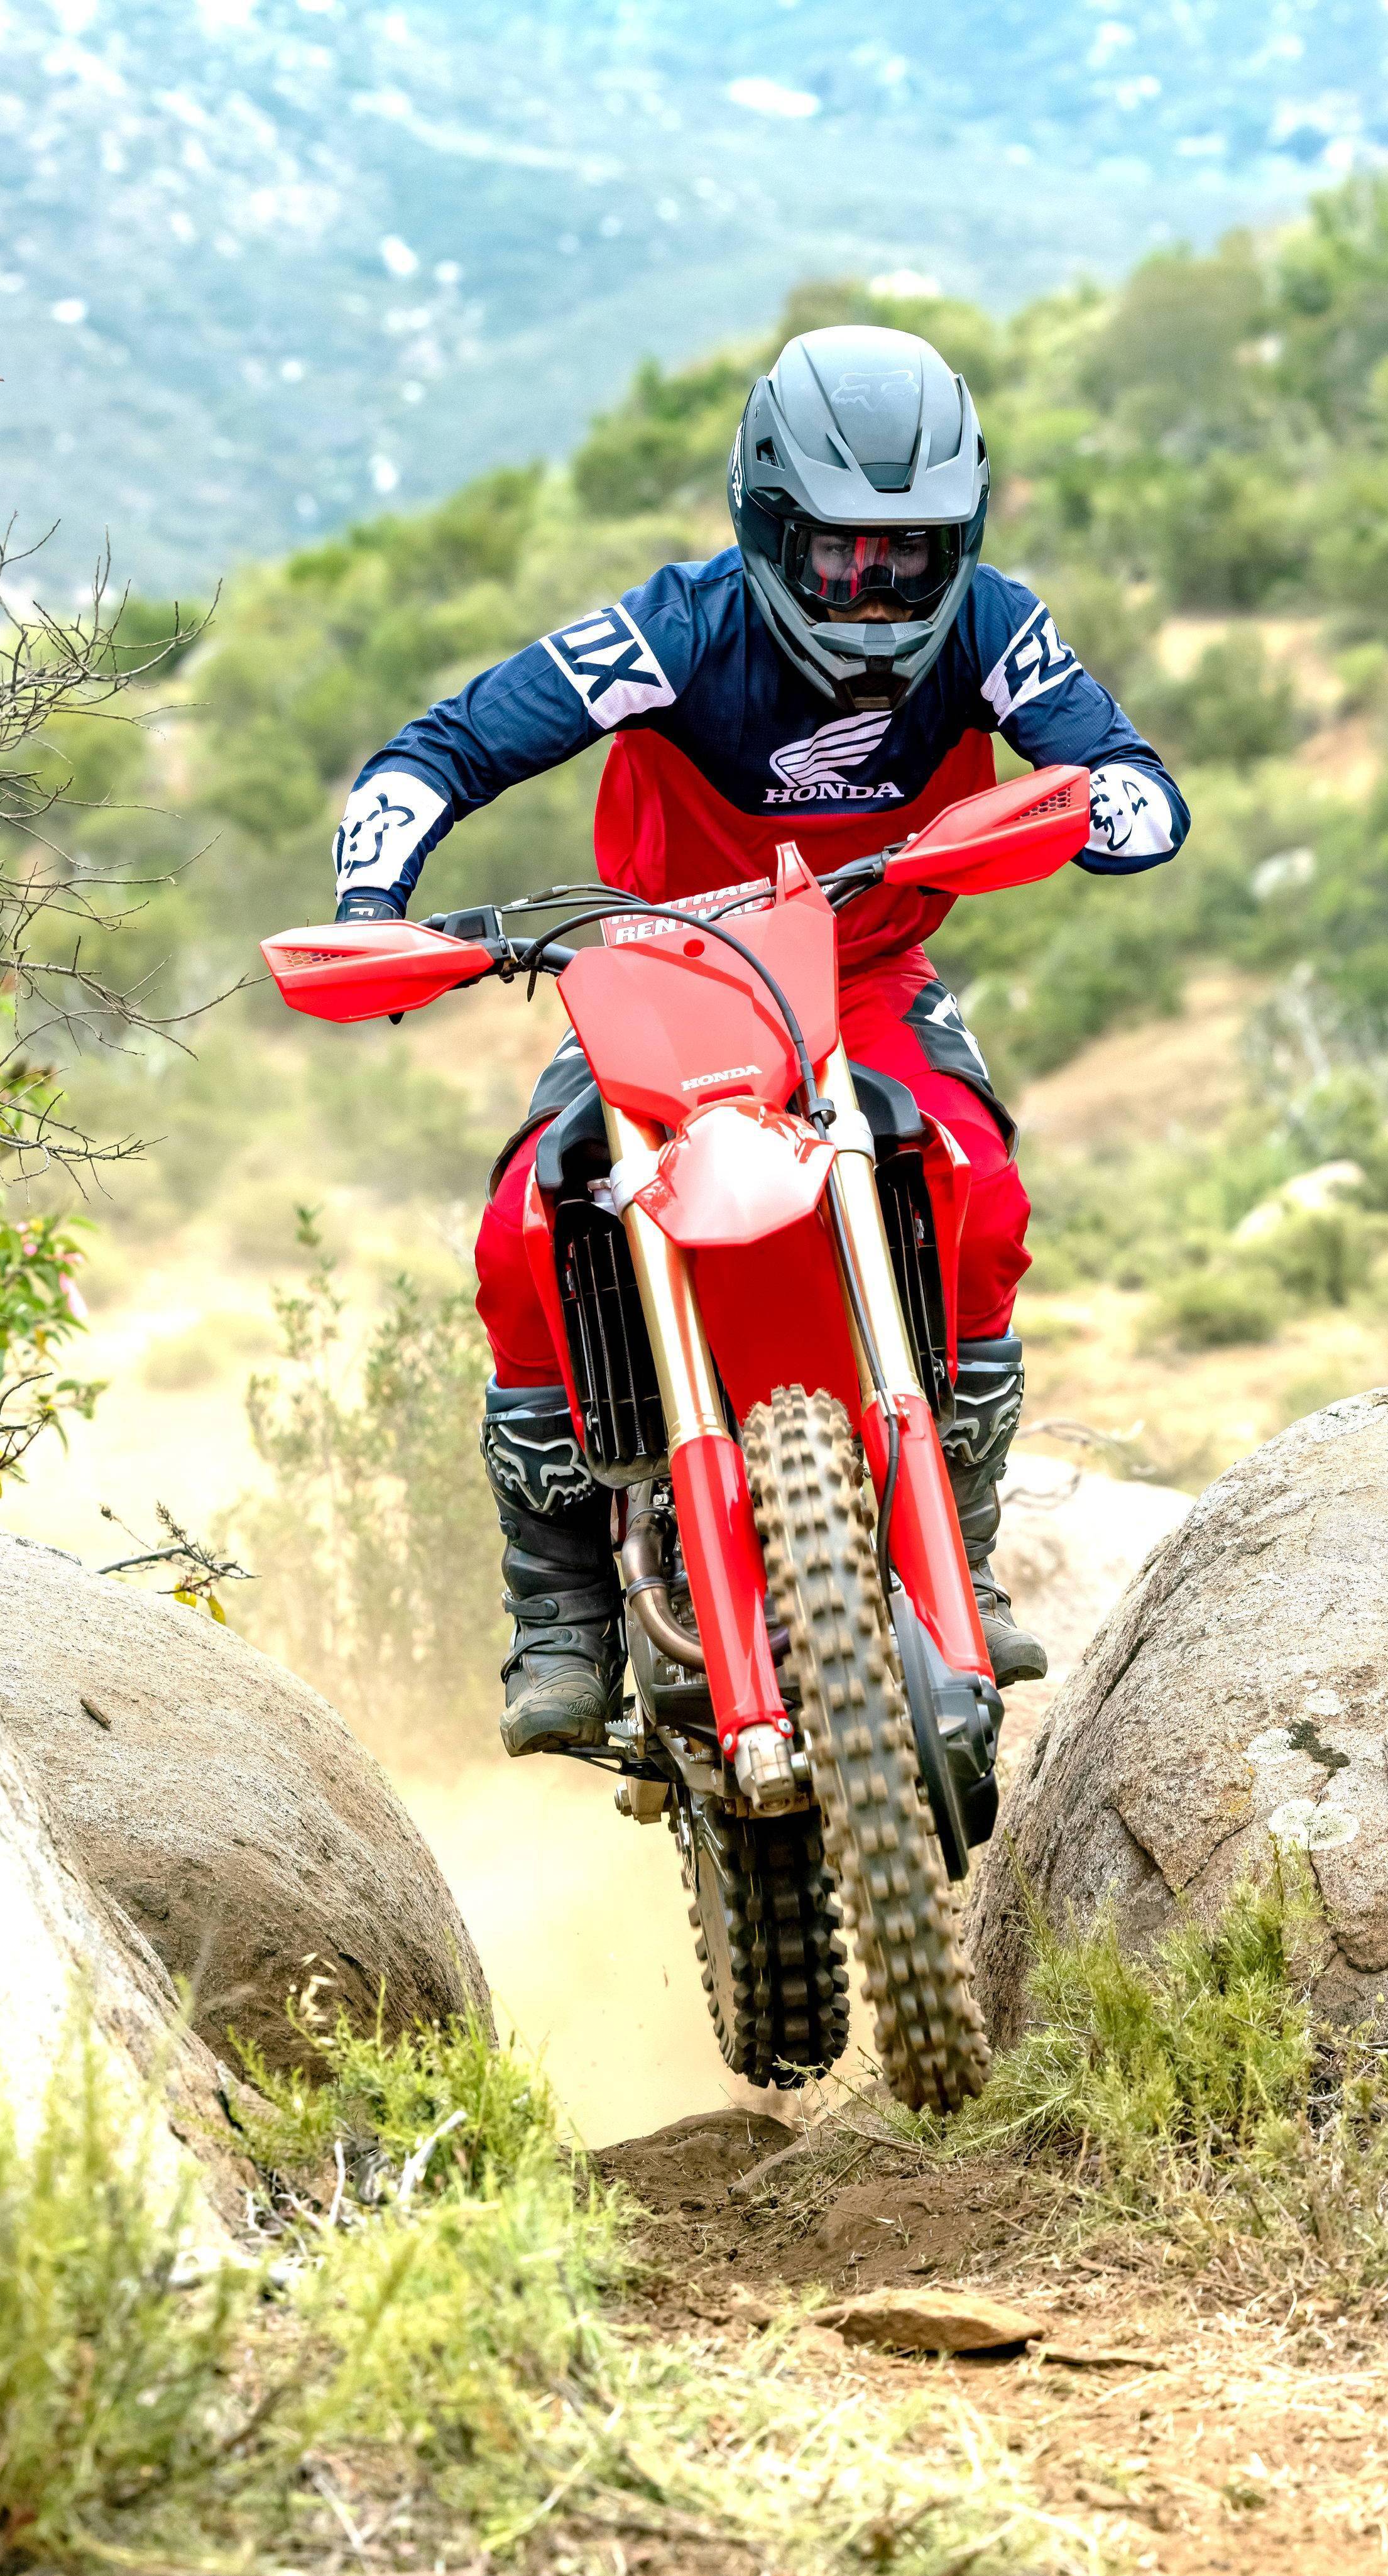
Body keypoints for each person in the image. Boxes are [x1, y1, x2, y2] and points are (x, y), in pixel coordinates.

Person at [332, 324, 1189, 1757]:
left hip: (863, 975)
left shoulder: (994, 629)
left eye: (910, 554)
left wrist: (1093, 811)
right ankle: (559, 1608)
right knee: (520, 1231)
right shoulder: (667, 633)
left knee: (980, 1197)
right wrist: (372, 908)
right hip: (663, 977)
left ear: (964, 536)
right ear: (768, 525)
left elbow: (1136, 780)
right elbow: (444, 747)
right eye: (842, 556)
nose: (877, 588)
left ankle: (960, 1546)